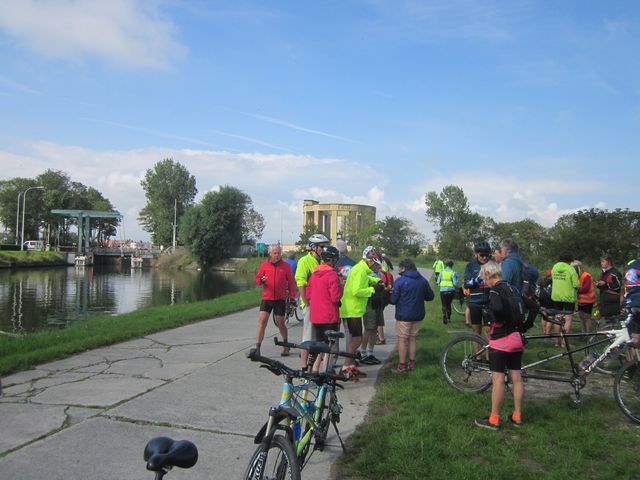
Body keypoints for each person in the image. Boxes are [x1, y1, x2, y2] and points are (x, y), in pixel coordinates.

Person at [474, 260, 524, 430]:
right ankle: (517, 415)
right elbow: (532, 305)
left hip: (501, 340)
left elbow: (496, 308)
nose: (484, 282)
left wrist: (495, 319)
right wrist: (523, 325)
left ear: (489, 275)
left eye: (484, 278)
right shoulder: (513, 288)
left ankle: (494, 419)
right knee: (516, 378)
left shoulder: (495, 290)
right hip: (517, 337)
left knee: (498, 380)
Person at [339, 246, 382, 379]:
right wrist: (372, 290)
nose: (376, 268)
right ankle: (346, 366)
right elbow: (356, 291)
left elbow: (366, 279)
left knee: (355, 338)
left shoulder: (361, 269)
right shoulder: (360, 271)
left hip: (353, 309)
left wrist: (377, 281)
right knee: (356, 339)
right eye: (376, 265)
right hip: (352, 309)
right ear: (370, 261)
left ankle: (351, 365)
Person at [389, 258, 435, 373]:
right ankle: (412, 363)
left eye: (399, 268)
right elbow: (430, 297)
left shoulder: (400, 281)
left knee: (402, 339)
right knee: (412, 338)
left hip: (403, 315)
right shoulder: (423, 281)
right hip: (418, 314)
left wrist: (389, 294)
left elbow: (393, 300)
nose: (398, 270)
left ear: (404, 268)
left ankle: (401, 365)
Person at [306, 245, 343, 371]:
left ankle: (315, 370)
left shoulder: (314, 274)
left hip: (316, 317)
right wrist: (341, 286)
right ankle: (326, 371)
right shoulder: (332, 275)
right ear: (332, 260)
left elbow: (308, 294)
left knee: (319, 345)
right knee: (329, 347)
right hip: (330, 317)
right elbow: (336, 297)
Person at [254, 244, 296, 356]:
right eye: (274, 253)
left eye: (278, 253)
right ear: (270, 254)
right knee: (262, 321)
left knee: (280, 323)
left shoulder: (285, 266)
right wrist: (261, 281)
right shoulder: (264, 265)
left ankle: (286, 345)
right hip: (267, 298)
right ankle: (257, 349)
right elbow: (257, 279)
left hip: (280, 299)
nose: (277, 255)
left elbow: (291, 283)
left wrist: (292, 298)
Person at [295, 233, 330, 368]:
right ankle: (303, 365)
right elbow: (301, 283)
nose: (324, 249)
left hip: (320, 304)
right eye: (322, 246)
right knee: (308, 336)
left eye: (325, 246)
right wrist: (307, 304)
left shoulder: (322, 261)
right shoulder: (304, 261)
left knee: (319, 336)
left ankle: (314, 361)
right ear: (313, 247)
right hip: (310, 304)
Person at [360, 257, 393, 365]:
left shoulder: (378, 273)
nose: (377, 266)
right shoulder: (365, 273)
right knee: (369, 328)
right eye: (376, 264)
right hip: (369, 303)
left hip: (378, 302)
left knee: (375, 329)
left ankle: (370, 352)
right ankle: (363, 352)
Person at [464, 242, 492, 339]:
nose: (484, 257)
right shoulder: (470, 266)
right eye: (482, 255)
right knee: (476, 331)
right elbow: (466, 284)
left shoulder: (493, 265)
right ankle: (478, 355)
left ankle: (490, 354)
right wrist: (478, 279)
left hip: (489, 302)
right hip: (475, 303)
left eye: (487, 255)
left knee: (489, 332)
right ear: (476, 254)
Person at [551, 251, 579, 346]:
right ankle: (564, 342)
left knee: (557, 318)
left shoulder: (554, 267)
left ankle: (557, 341)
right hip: (568, 297)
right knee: (568, 319)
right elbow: (576, 284)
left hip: (556, 296)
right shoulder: (570, 269)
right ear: (570, 260)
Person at [597, 255, 623, 320]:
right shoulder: (603, 273)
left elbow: (618, 286)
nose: (601, 263)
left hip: (612, 301)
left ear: (609, 262)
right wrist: (598, 285)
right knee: (607, 320)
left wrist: (605, 284)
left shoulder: (615, 273)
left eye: (603, 261)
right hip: (604, 300)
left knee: (613, 321)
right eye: (601, 262)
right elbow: (603, 287)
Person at [573, 260, 596, 333]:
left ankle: (588, 333)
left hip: (588, 300)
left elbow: (585, 288)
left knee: (587, 317)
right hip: (581, 300)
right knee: (581, 317)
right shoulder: (577, 276)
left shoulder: (586, 276)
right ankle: (583, 332)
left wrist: (575, 289)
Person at [376, 253, 394, 344]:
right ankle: (378, 334)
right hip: (387, 297)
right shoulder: (389, 274)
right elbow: (392, 285)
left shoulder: (379, 274)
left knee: (377, 317)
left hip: (380, 296)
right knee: (379, 315)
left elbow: (379, 287)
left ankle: (380, 337)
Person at [623, 256, 640, 345]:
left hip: (629, 300)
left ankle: (630, 356)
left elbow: (626, 282)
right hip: (637, 301)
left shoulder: (630, 263)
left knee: (632, 334)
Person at [437, 259, 459, 324]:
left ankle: (444, 315)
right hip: (451, 290)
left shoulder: (442, 272)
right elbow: (455, 283)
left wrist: (440, 285)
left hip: (443, 290)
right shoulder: (453, 273)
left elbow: (438, 282)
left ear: (445, 265)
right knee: (449, 304)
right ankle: (449, 318)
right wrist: (457, 278)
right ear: (452, 265)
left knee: (444, 304)